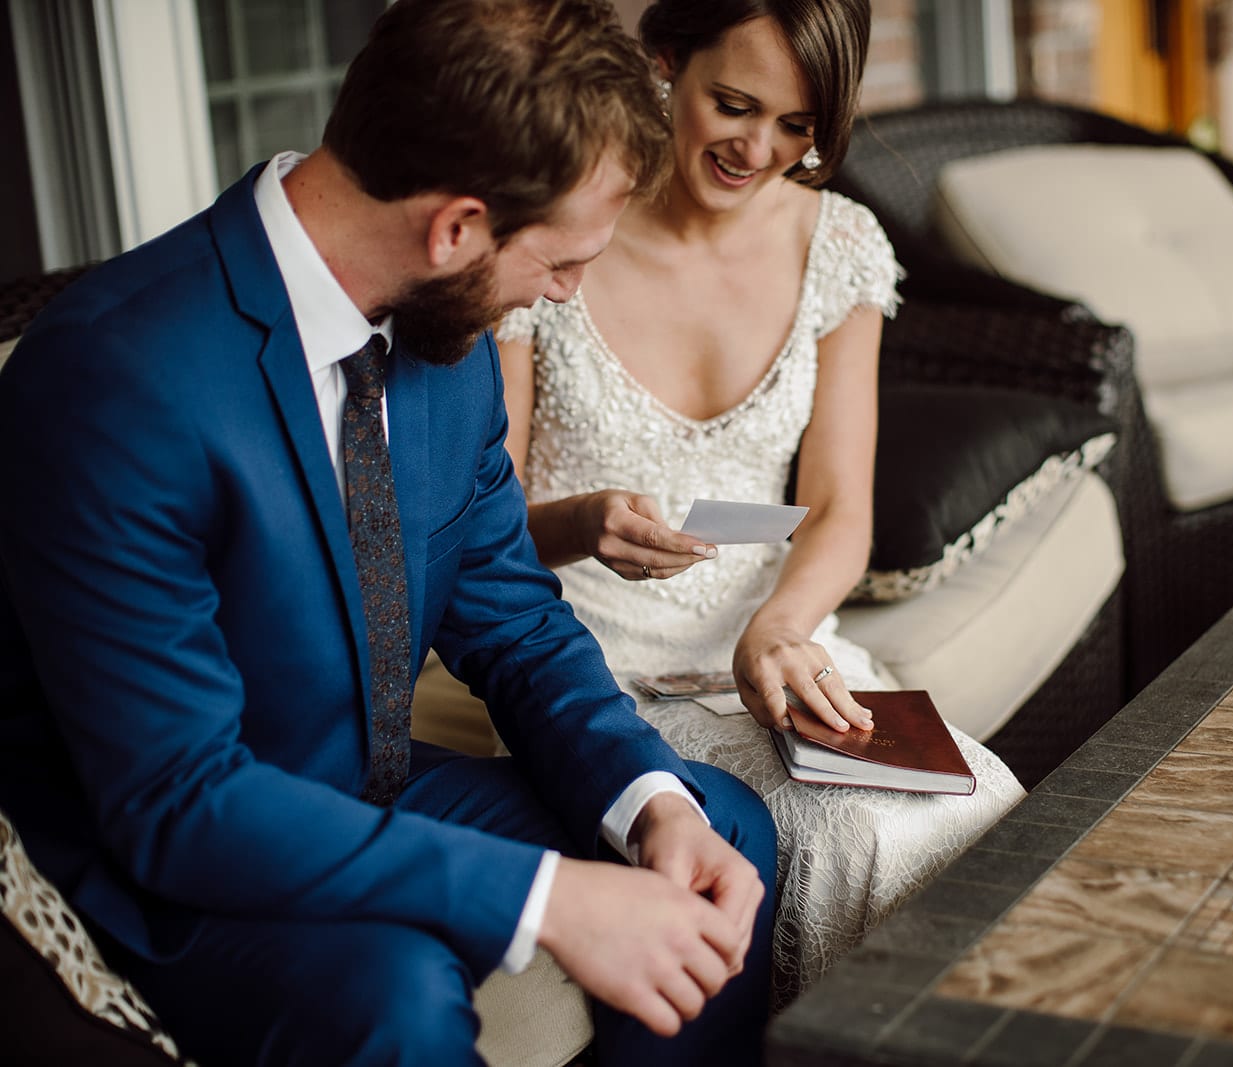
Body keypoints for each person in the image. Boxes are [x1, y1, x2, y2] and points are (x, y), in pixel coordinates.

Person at [0, 1, 778, 1064]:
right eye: (563, 263)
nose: (563, 297)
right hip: (178, 847)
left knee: (714, 824)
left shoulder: (440, 333)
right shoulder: (112, 378)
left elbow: (511, 620)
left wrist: (645, 805)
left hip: (364, 776)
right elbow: (176, 800)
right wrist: (551, 897)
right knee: (392, 991)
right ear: (456, 228)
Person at [496, 0, 1025, 1001]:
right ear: (664, 62)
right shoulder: (559, 228)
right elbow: (477, 524)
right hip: (589, 658)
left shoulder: (842, 244)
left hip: (772, 639)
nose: (760, 149)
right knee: (859, 833)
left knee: (976, 807)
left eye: (798, 125)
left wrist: (780, 628)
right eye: (732, 105)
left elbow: (838, 507)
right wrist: (578, 522)